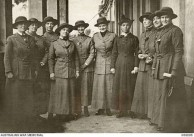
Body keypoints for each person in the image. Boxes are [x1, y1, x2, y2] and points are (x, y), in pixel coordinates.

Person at [151, 7, 189, 132]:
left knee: (170, 96)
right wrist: (154, 67)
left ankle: (170, 124)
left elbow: (179, 52)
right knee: (160, 95)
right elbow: (157, 52)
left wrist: (174, 71)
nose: (164, 19)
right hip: (161, 66)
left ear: (171, 18)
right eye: (162, 17)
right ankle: (159, 121)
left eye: (167, 17)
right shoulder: (160, 31)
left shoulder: (175, 31)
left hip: (171, 66)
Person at [4, 16, 38, 131]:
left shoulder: (31, 39)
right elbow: (7, 57)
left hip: (28, 73)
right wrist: (8, 71)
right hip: (16, 73)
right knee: (16, 98)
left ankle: (26, 122)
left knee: (28, 98)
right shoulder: (11, 39)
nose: (23, 26)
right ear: (16, 26)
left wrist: (35, 69)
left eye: (24, 24)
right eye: (20, 24)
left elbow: (34, 56)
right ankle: (15, 123)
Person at [48, 23, 80, 122]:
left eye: (67, 30)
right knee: (59, 93)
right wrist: (51, 72)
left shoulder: (72, 43)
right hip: (59, 71)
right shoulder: (54, 43)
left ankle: (69, 113)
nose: (65, 31)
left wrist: (77, 70)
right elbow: (50, 59)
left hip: (70, 71)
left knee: (70, 92)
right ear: (59, 31)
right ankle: (58, 113)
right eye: (63, 30)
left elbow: (76, 58)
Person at [110, 15, 139, 118]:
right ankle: (121, 110)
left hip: (131, 63)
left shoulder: (134, 38)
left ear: (130, 26)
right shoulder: (117, 39)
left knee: (131, 86)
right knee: (120, 86)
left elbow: (137, 53)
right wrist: (112, 66)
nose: (126, 27)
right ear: (120, 27)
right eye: (123, 25)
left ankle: (131, 109)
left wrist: (136, 66)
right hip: (120, 64)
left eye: (127, 25)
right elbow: (114, 53)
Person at [131, 12, 155, 119]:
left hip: (151, 65)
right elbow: (139, 49)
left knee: (150, 90)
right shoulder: (142, 34)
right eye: (143, 20)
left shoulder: (156, 33)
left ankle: (150, 113)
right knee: (141, 89)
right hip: (142, 65)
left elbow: (158, 49)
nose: (145, 22)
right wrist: (140, 54)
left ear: (152, 21)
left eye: (147, 20)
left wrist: (149, 56)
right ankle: (142, 112)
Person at [91, 17, 116, 116]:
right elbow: (92, 50)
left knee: (109, 85)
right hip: (99, 62)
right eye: (100, 26)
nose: (102, 27)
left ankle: (109, 108)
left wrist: (113, 63)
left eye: (104, 25)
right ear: (98, 27)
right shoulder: (95, 36)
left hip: (110, 61)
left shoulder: (113, 35)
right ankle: (100, 107)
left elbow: (115, 51)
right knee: (100, 86)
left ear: (107, 25)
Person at [26, 18, 50, 118]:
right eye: (32, 25)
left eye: (36, 25)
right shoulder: (25, 38)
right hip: (28, 67)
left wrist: (43, 61)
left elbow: (47, 51)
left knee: (40, 89)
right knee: (29, 89)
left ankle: (39, 111)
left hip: (40, 67)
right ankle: (29, 112)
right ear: (28, 26)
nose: (34, 27)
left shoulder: (41, 39)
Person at [73, 20, 94, 117]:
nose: (81, 29)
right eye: (79, 27)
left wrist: (85, 64)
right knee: (76, 87)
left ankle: (85, 107)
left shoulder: (89, 40)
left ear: (84, 28)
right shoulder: (73, 40)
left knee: (85, 88)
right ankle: (77, 109)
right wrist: (76, 67)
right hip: (76, 67)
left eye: (82, 27)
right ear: (77, 28)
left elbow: (92, 53)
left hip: (87, 67)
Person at [42, 16, 58, 120]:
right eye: (47, 24)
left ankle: (56, 110)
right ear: (44, 25)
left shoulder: (58, 36)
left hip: (56, 65)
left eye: (51, 24)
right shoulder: (42, 38)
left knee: (56, 88)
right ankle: (47, 110)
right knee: (46, 88)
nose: (49, 26)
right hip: (45, 66)